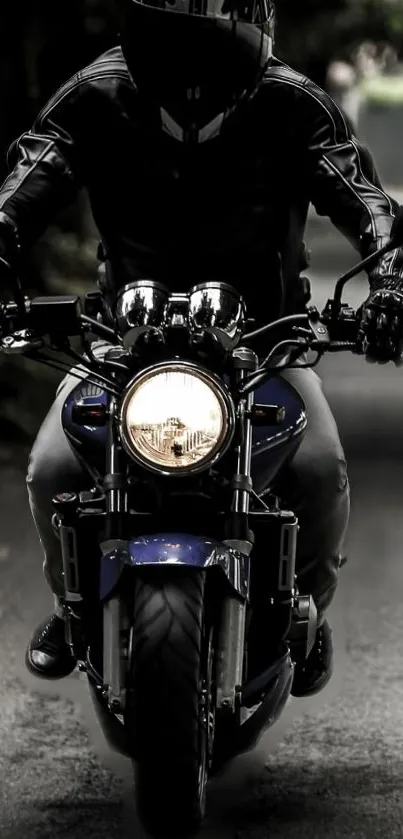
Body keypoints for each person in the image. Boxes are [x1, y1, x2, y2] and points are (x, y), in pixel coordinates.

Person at [1, 0, 403, 697]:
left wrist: (391, 276)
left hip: (262, 341)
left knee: (317, 470)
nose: (197, 41)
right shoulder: (95, 95)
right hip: (121, 339)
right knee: (50, 465)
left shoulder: (293, 104)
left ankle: (300, 614)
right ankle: (73, 607)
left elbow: (360, 197)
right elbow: (30, 178)